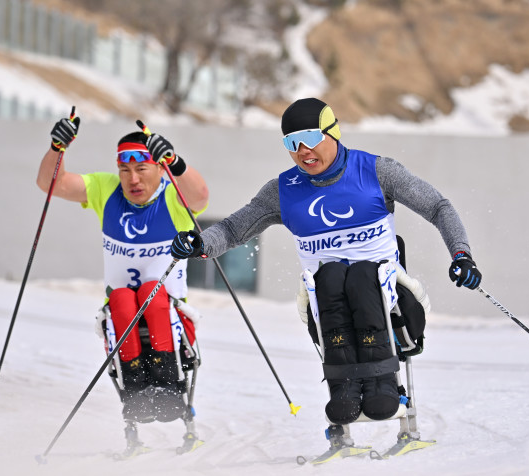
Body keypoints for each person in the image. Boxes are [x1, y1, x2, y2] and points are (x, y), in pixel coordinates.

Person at [168, 97, 482, 429]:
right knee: (331, 276)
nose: (303, 150)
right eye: (292, 142)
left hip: (394, 305)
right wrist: (200, 243)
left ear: (333, 132)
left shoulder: (376, 171)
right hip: (327, 305)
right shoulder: (283, 190)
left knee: (361, 275)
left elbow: (438, 207)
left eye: (312, 138)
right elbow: (233, 229)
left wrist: (461, 255)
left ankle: (384, 384)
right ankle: (343, 391)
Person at [36, 111, 209, 455]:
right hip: (122, 314)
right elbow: (50, 184)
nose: (132, 179)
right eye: (125, 169)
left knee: (149, 291)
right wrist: (58, 148)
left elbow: (201, 197)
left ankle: (166, 384)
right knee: (122, 299)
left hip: (170, 314)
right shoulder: (105, 189)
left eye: (142, 168)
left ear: (158, 169)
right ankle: (136, 389)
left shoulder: (172, 194)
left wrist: (174, 161)